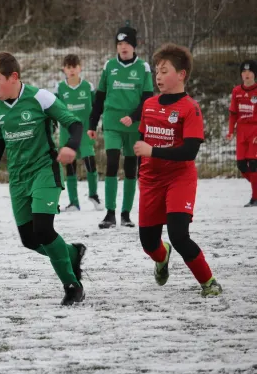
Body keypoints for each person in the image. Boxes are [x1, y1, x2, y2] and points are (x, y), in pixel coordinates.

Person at [0, 52, 87, 306]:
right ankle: (72, 252)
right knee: (30, 240)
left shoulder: (40, 98)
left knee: (43, 229)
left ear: (13, 77)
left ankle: (72, 286)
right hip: (18, 178)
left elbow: (74, 124)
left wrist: (71, 146)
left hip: (44, 171)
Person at [133, 43, 222, 297]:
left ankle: (209, 282)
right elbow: (142, 143)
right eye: (157, 72)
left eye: (164, 71)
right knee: (149, 243)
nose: (158, 77)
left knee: (179, 235)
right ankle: (162, 257)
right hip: (151, 181)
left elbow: (189, 152)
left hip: (179, 178)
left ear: (181, 74)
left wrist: (154, 152)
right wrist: (142, 173)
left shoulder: (189, 108)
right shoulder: (149, 105)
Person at [88, 26, 154, 229]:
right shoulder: (109, 66)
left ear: (134, 46)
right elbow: (99, 97)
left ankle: (126, 214)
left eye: (126, 44)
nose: (123, 47)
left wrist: (133, 117)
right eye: (119, 44)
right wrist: (92, 123)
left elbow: (147, 99)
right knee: (112, 162)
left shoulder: (143, 68)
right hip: (112, 123)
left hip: (134, 125)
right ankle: (110, 213)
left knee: (131, 167)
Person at [55, 54, 102, 212]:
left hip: (85, 132)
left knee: (90, 162)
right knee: (70, 167)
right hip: (67, 133)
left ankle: (93, 195)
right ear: (64, 69)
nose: (72, 70)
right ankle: (74, 202)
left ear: (80, 68)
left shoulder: (88, 87)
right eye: (68, 67)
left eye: (74, 67)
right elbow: (54, 109)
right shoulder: (59, 88)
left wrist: (94, 126)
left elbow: (96, 108)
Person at [226, 60, 257, 207]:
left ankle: (255, 198)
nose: (247, 74)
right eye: (244, 72)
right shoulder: (236, 91)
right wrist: (230, 131)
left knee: (253, 163)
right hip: (242, 131)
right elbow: (233, 114)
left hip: (255, 130)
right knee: (242, 165)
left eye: (250, 71)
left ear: (254, 74)